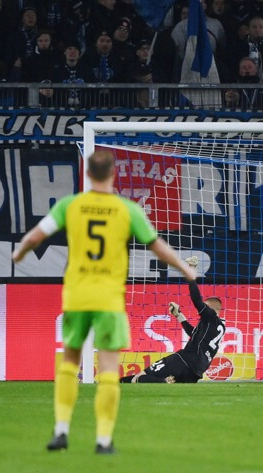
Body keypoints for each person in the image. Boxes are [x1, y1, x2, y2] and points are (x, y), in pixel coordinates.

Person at [12, 150, 196, 455]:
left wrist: (19, 253)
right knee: (109, 367)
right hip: (109, 298)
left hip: (77, 295)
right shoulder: (126, 209)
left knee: (70, 363)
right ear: (113, 175)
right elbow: (157, 246)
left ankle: (61, 431)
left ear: (86, 174)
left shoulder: (71, 205)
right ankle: (103, 439)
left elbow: (36, 236)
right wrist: (183, 267)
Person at [121, 257, 225, 384]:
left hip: (184, 359)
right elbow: (195, 334)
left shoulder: (210, 315)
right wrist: (179, 316)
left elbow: (196, 299)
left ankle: (163, 381)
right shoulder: (219, 326)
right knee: (174, 388)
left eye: (205, 306)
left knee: (140, 377)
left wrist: (190, 273)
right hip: (196, 371)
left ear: (210, 308)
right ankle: (164, 381)